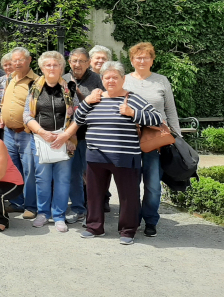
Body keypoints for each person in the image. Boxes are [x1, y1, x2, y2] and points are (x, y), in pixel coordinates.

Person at [75, 61, 163, 245]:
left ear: (123, 79)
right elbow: (78, 118)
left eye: (115, 77)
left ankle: (128, 230)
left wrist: (132, 113)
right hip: (95, 156)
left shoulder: (132, 99)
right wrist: (87, 102)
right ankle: (94, 227)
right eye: (107, 77)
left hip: (125, 156)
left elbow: (156, 118)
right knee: (94, 194)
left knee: (128, 195)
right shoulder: (95, 98)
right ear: (102, 79)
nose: (111, 80)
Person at [123, 42, 181, 238]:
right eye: (137, 57)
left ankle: (150, 219)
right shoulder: (123, 81)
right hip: (128, 139)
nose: (141, 60)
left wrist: (177, 138)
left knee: (153, 185)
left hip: (155, 141)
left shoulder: (161, 81)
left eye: (146, 57)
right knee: (130, 184)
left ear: (152, 60)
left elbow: (171, 111)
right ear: (131, 60)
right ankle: (132, 218)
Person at [23, 51, 78, 233]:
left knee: (62, 179)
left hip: (65, 138)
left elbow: (78, 116)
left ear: (62, 68)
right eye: (48, 65)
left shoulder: (70, 87)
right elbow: (27, 115)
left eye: (56, 65)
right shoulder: (33, 87)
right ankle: (43, 213)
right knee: (42, 179)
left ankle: (59, 215)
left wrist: (64, 135)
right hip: (41, 139)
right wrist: (41, 132)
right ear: (41, 68)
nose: (52, 68)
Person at [62, 47, 104, 224]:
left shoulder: (96, 79)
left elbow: (103, 104)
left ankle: (96, 208)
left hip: (91, 134)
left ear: (88, 63)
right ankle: (78, 208)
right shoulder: (63, 78)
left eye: (81, 61)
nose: (77, 64)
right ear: (69, 62)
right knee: (72, 173)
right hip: (70, 135)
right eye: (74, 61)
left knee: (93, 173)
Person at [0, 47, 38, 219]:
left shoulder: (37, 81)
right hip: (8, 131)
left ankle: (31, 205)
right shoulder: (10, 78)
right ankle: (16, 202)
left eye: (20, 60)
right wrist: (2, 116)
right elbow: (4, 102)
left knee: (29, 170)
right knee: (13, 168)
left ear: (29, 60)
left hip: (26, 132)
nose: (17, 63)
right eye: (14, 60)